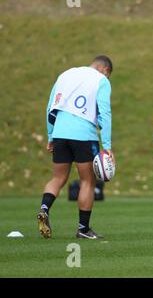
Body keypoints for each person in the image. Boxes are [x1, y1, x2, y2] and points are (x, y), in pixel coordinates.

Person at [37, 55, 114, 239]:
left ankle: (44, 208)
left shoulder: (66, 74)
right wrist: (107, 145)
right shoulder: (101, 80)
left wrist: (51, 135)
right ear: (105, 70)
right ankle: (83, 229)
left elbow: (50, 107)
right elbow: (105, 112)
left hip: (60, 133)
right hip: (84, 135)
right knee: (87, 180)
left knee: (58, 178)